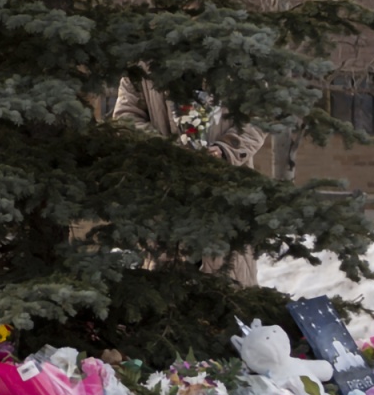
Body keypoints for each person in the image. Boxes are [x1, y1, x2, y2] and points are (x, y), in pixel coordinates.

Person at [111, 74, 268, 285]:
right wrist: (167, 151)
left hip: (226, 185)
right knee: (167, 283)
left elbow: (262, 113)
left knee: (229, 282)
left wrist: (226, 149)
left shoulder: (240, 58)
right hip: (166, 189)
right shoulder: (144, 65)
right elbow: (125, 117)